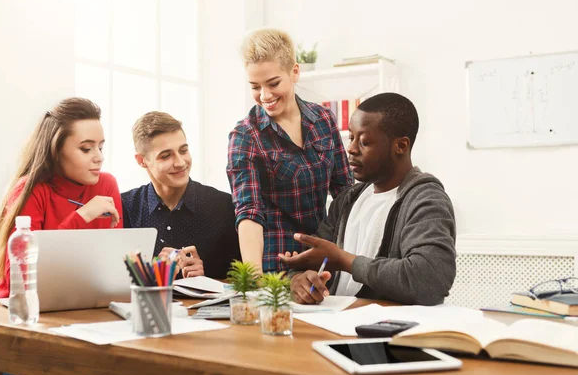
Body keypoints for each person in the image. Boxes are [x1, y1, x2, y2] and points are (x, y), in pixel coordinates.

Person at [280, 93, 456, 306]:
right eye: (351, 137)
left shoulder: (426, 200)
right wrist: (298, 280)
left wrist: (345, 261)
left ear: (401, 146)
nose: (351, 149)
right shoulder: (348, 199)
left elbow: (430, 280)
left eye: (364, 142)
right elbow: (307, 264)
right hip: (335, 324)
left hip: (388, 333)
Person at [227, 28, 353, 273]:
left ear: (295, 72)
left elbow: (345, 193)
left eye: (273, 83)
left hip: (323, 258)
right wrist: (255, 282)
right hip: (276, 267)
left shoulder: (324, 119)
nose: (265, 95)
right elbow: (249, 212)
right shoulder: (245, 136)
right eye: (255, 86)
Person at [0, 97, 122, 305]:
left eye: (101, 147)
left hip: (82, 305)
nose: (99, 157)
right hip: (20, 310)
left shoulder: (107, 184)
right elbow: (20, 279)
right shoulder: (31, 189)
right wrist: (82, 216)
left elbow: (114, 268)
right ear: (56, 151)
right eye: (86, 148)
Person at [122, 112, 241, 279]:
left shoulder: (225, 206)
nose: (180, 162)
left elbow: (242, 282)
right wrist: (150, 274)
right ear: (142, 161)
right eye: (166, 156)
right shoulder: (124, 208)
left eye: (183, 150)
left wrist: (205, 277)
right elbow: (113, 279)